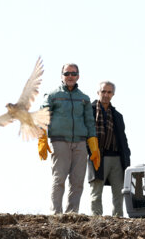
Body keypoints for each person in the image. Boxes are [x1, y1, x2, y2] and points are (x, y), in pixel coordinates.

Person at [38, 63, 100, 214]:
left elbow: (90, 123)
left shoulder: (84, 99)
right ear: (62, 76)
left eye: (73, 73)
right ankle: (56, 213)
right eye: (67, 74)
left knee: (77, 181)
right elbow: (42, 116)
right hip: (60, 142)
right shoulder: (52, 96)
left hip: (80, 143)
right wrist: (42, 139)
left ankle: (72, 214)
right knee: (59, 179)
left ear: (78, 76)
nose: (70, 76)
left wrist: (93, 146)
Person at [88, 81, 131, 217]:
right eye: (103, 91)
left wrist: (126, 156)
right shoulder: (89, 110)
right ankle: (96, 219)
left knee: (119, 192)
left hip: (117, 158)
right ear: (98, 92)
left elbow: (123, 138)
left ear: (113, 94)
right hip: (97, 155)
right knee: (96, 190)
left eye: (109, 92)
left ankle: (118, 219)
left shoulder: (117, 115)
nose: (106, 95)